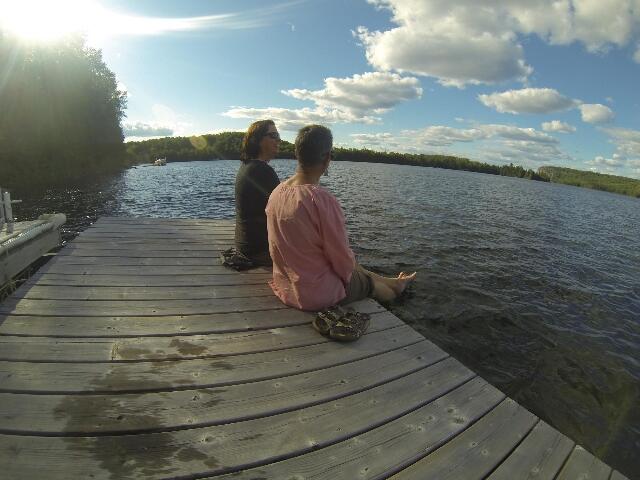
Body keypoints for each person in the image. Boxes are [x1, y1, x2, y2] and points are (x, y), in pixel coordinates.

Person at [266, 124, 416, 311]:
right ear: (328, 158)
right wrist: (357, 279)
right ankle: (396, 291)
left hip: (286, 285)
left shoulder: (277, 192)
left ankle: (392, 281)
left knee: (355, 266)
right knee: (369, 284)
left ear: (298, 154)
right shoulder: (320, 199)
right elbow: (342, 260)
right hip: (314, 293)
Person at [234, 119, 281, 266]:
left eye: (278, 136)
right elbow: (286, 212)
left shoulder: (247, 166)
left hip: (245, 245)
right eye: (273, 136)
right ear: (257, 140)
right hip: (259, 252)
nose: (278, 140)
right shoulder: (263, 171)